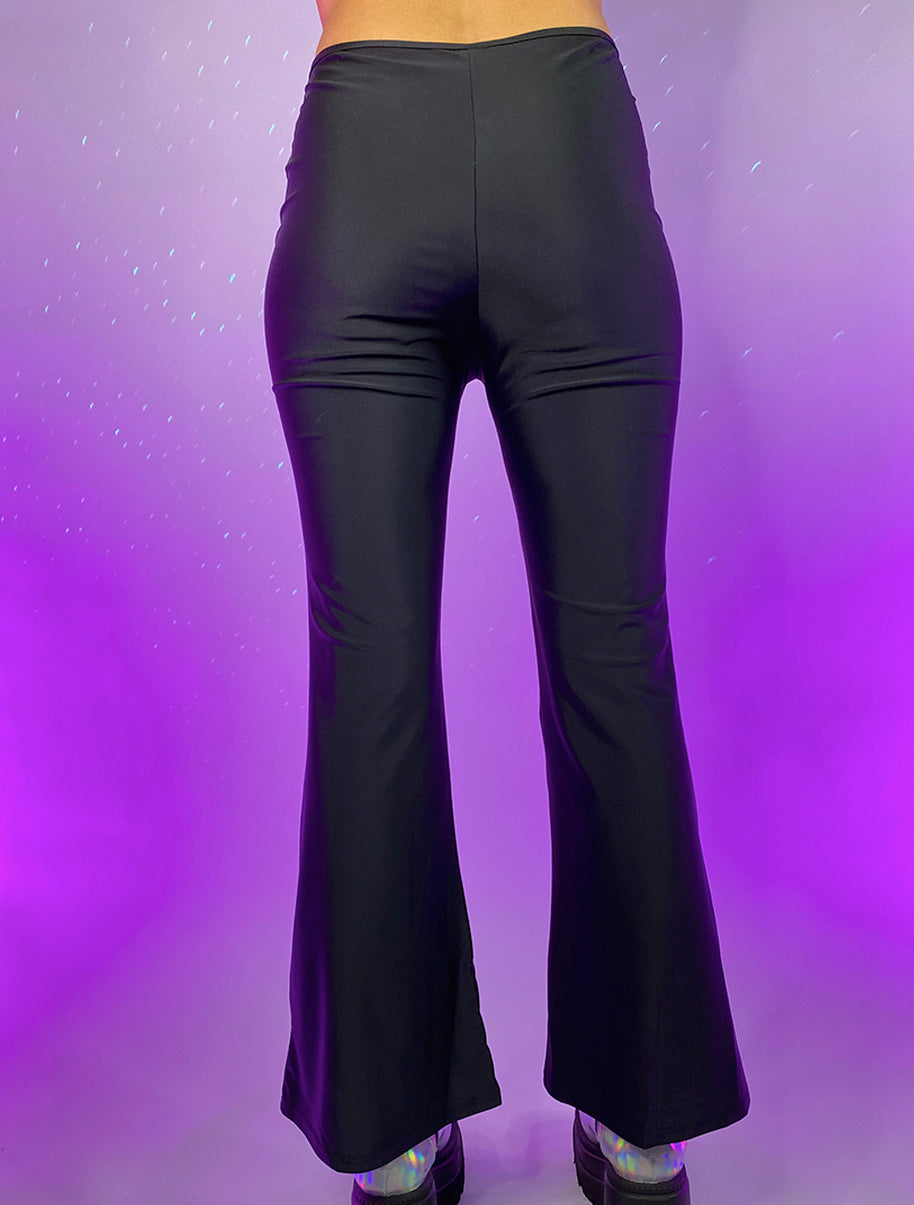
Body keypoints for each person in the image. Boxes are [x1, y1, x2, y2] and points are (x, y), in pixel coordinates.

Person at [263, 2, 751, 1202]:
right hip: (566, 145)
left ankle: (392, 1142)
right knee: (613, 656)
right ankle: (640, 1133)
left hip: (365, 154)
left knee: (368, 668)